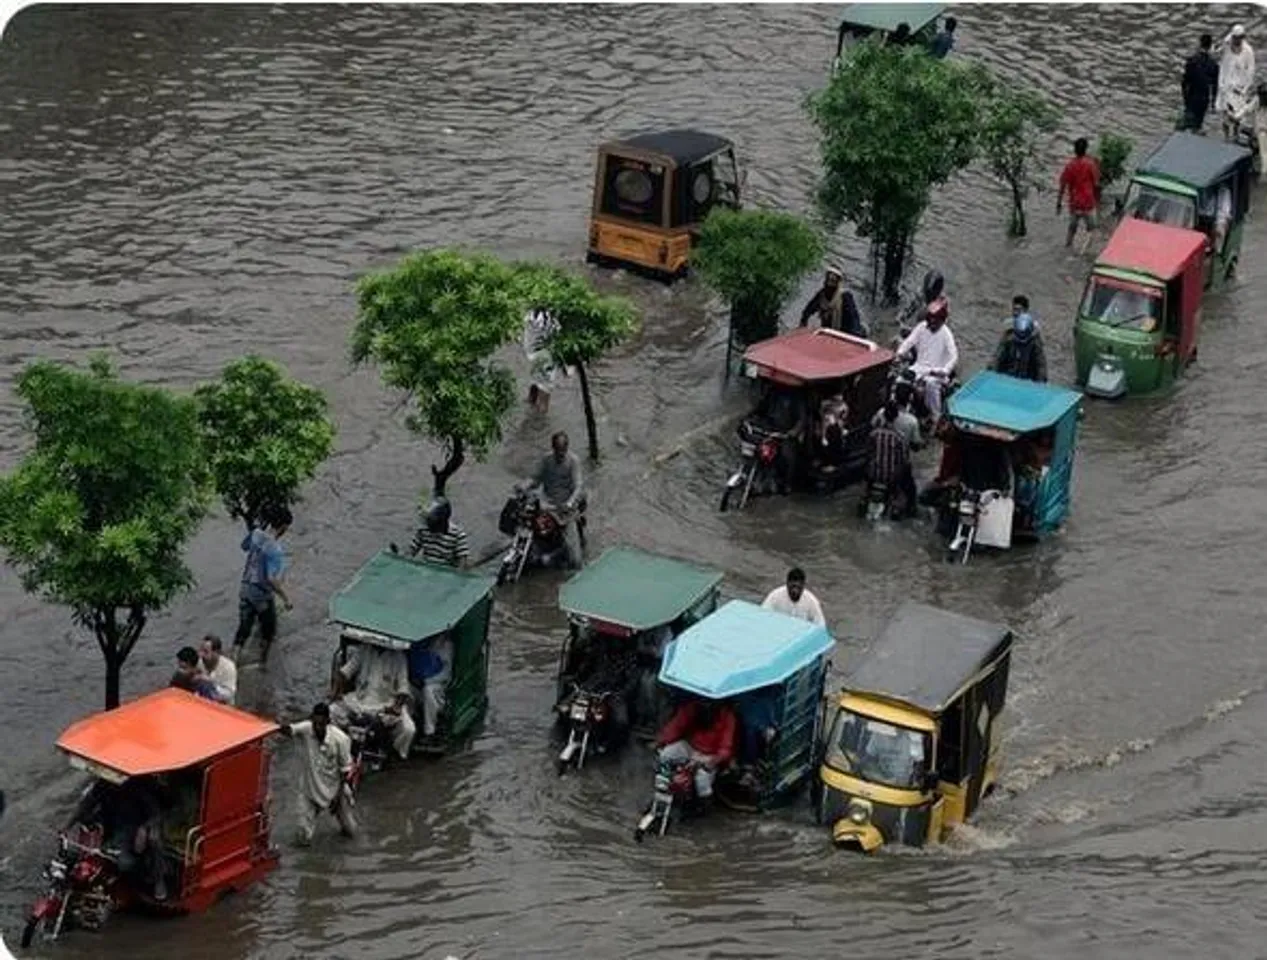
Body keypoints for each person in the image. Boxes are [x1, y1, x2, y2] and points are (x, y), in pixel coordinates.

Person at [279, 703, 356, 845]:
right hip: (310, 790)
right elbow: (289, 730)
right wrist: (273, 725)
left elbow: (346, 771)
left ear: (328, 722)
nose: (318, 727)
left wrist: (338, 798)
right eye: (315, 723)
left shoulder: (341, 739)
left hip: (336, 788)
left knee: (350, 832)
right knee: (302, 836)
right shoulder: (307, 729)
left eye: (321, 724)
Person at [330, 643, 416, 761]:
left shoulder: (399, 657)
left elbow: (403, 687)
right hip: (359, 702)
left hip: (385, 705)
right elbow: (345, 672)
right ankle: (337, 745)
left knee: (408, 729)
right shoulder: (364, 650)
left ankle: (394, 754)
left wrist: (397, 706)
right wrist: (335, 692)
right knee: (332, 711)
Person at [232, 504, 293, 662]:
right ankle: (262, 663)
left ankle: (234, 662)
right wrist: (286, 599)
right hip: (261, 595)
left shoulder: (256, 534)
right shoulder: (275, 550)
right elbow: (271, 579)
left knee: (243, 630)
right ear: (283, 527)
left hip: (245, 588)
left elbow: (243, 547)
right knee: (269, 630)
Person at [654, 698, 738, 808]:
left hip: (710, 755)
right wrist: (661, 741)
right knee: (667, 754)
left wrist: (711, 759)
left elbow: (726, 748)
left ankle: (702, 805)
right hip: (690, 746)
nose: (705, 705)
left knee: (702, 780)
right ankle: (663, 788)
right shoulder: (692, 707)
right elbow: (675, 727)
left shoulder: (728, 717)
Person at [525, 431, 584, 569]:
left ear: (567, 448)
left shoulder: (573, 462)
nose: (560, 454)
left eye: (562, 451)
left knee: (575, 561)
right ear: (553, 448)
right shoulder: (546, 460)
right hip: (547, 506)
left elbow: (578, 486)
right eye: (557, 450)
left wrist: (570, 502)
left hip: (565, 509)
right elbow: (535, 479)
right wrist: (524, 485)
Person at [896, 297, 958, 420]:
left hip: (936, 372)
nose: (932, 324)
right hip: (919, 367)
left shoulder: (946, 334)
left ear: (942, 321)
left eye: (936, 321)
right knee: (900, 380)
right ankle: (899, 407)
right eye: (930, 320)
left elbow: (954, 355)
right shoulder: (921, 327)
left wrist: (945, 370)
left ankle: (936, 414)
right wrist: (900, 353)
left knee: (930, 385)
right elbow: (909, 342)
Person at [867, 401, 918, 517]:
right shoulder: (899, 437)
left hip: (874, 475)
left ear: (884, 415)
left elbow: (869, 454)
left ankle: (866, 497)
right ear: (896, 417)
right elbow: (903, 460)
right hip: (892, 477)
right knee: (910, 489)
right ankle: (911, 509)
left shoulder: (874, 434)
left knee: (867, 488)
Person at [990, 297, 1048, 383]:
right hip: (1007, 378)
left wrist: (1040, 383)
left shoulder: (1035, 340)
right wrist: (991, 374)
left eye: (1019, 310)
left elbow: (1041, 365)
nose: (1015, 313)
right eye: (1014, 309)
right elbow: (998, 357)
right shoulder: (1008, 336)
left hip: (1027, 381)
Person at [1057, 137, 1101, 248]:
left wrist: (1059, 203)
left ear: (1074, 150)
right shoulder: (1091, 164)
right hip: (1088, 203)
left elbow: (1062, 185)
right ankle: (1085, 251)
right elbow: (1096, 184)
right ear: (1086, 149)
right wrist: (1097, 201)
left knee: (1071, 230)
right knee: (1092, 230)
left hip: (1074, 204)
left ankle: (1068, 247)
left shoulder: (1069, 166)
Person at [410, 632, 455, 740]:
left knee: (428, 691)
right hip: (417, 680)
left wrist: (426, 681)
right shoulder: (420, 640)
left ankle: (429, 731)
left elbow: (446, 674)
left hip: (436, 685)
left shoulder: (446, 645)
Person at [799, 266, 864, 336]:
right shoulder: (821, 295)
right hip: (827, 333)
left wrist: (855, 333)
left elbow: (853, 318)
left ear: (838, 281)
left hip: (844, 335)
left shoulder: (845, 296)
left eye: (833, 278)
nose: (830, 279)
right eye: (829, 277)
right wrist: (803, 322)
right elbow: (809, 309)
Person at [409, 497, 469, 568]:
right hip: (425, 570)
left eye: (433, 522)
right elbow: (411, 551)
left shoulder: (457, 535)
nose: (429, 525)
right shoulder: (423, 529)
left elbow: (462, 562)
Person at [523, 308, 561, 413]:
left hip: (537, 343)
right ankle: (536, 403)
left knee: (541, 373)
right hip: (540, 342)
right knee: (542, 374)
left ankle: (536, 403)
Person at [1216, 25, 1256, 126]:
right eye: (1234, 37)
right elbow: (1214, 53)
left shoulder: (1248, 51)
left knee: (1238, 115)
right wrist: (1224, 42)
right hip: (1225, 85)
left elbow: (1251, 70)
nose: (1236, 40)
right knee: (1224, 114)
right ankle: (1225, 136)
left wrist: (1245, 88)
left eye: (1238, 38)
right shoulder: (1226, 47)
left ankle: (1235, 135)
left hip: (1239, 88)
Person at [761, 567, 826, 626]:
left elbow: (820, 625)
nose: (795, 590)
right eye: (793, 586)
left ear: (803, 585)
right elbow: (763, 616)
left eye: (798, 586)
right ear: (787, 583)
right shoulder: (774, 596)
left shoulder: (812, 601)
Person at [1181, 33, 1219, 131]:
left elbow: (1184, 82)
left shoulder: (1192, 61)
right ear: (1210, 46)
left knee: (1187, 123)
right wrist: (1213, 102)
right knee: (1198, 124)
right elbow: (1215, 86)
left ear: (1200, 44)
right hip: (1204, 99)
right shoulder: (1213, 65)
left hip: (1192, 96)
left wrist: (1185, 98)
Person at [198, 634, 237, 705]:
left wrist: (211, 685)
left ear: (216, 653)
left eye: (206, 652)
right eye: (200, 650)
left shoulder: (228, 667)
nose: (201, 655)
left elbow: (229, 694)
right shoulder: (199, 662)